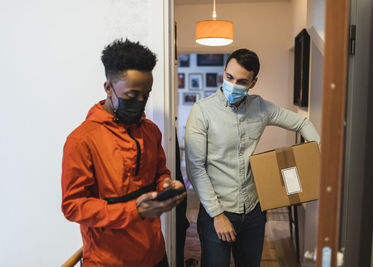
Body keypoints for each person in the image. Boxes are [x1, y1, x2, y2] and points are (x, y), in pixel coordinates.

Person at [184, 48, 320, 267]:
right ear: (224, 72)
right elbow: (195, 168)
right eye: (229, 77)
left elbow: (302, 123)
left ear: (253, 83)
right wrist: (218, 216)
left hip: (254, 212)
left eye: (241, 81)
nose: (233, 84)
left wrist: (318, 155)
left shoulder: (261, 107)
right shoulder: (202, 111)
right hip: (216, 213)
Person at [61, 39, 185, 267]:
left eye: (146, 95)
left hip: (156, 255)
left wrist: (166, 184)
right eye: (131, 95)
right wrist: (133, 210)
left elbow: (159, 172)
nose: (140, 102)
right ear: (108, 87)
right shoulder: (81, 140)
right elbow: (73, 206)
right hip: (107, 261)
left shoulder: (151, 131)